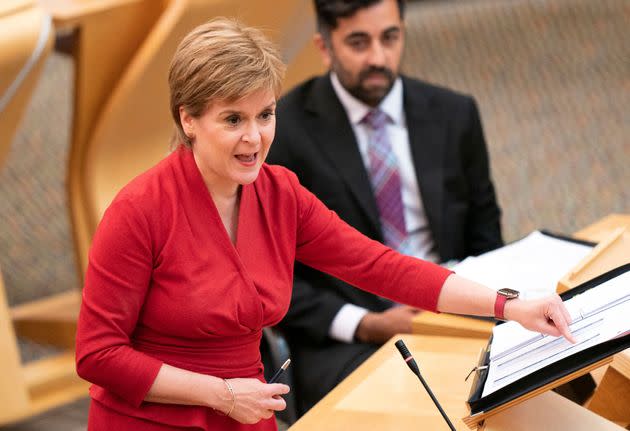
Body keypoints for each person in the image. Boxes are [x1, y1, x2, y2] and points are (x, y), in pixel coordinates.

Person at [75, 17, 574, 431]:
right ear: (188, 120)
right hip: (153, 420)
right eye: (232, 120)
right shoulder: (139, 210)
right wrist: (221, 394)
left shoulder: (279, 192)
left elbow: (382, 268)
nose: (254, 138)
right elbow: (97, 354)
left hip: (246, 409)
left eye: (265, 114)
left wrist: (509, 306)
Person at [267, 0, 504, 414]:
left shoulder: (455, 113)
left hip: (455, 307)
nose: (378, 57)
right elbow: (273, 278)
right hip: (348, 336)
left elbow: (487, 239)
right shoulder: (282, 132)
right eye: (359, 43)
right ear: (324, 47)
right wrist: (369, 324)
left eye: (390, 38)